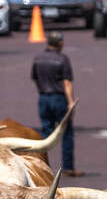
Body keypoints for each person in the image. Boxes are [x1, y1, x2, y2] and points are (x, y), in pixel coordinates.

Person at [30, 31, 80, 176]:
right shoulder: (62, 59)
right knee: (66, 133)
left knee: (46, 134)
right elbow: (67, 82)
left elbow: (35, 78)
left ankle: (43, 167)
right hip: (59, 99)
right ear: (59, 43)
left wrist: (41, 91)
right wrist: (71, 102)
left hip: (44, 98)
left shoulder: (38, 58)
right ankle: (68, 167)